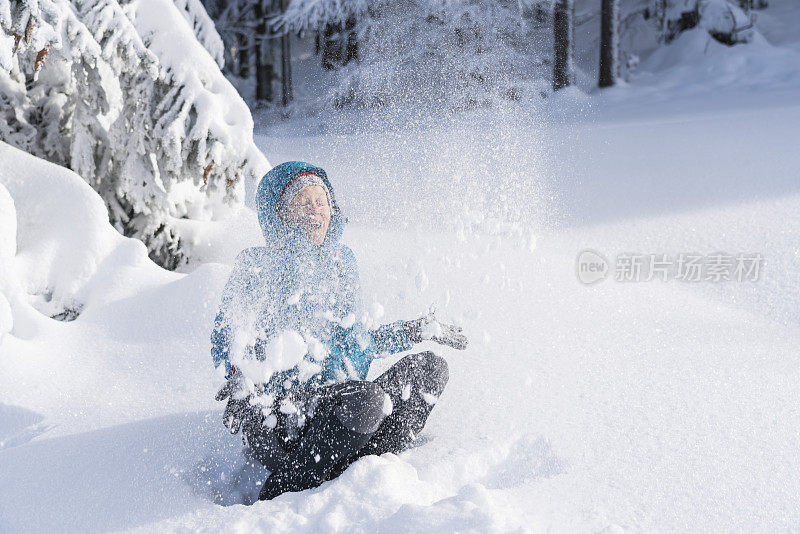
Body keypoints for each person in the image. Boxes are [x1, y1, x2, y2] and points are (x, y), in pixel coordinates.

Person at [211, 161, 468, 501]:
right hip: (280, 415)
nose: (315, 211)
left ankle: (361, 464)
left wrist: (414, 330)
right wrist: (237, 376)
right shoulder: (258, 265)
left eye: (321, 202)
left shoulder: (341, 263)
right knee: (366, 400)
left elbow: (358, 341)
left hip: (340, 406)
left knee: (430, 371)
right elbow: (226, 333)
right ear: (279, 215)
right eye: (303, 203)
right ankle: (280, 491)